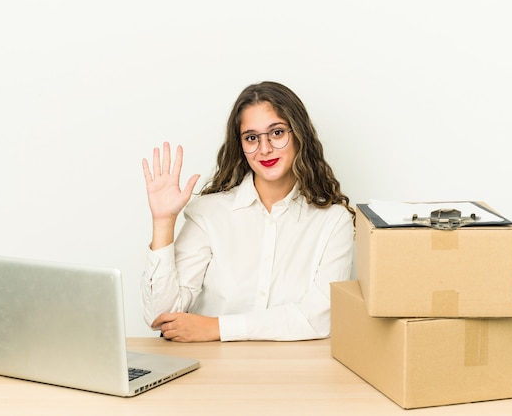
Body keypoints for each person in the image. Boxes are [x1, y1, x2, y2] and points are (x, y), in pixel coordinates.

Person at [141, 81, 355, 342]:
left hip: (296, 374)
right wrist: (163, 222)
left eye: (276, 133)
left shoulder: (334, 222)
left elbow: (319, 318)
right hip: (212, 373)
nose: (264, 149)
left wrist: (215, 328)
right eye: (251, 137)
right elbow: (161, 317)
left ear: (299, 134)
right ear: (240, 145)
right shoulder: (208, 214)